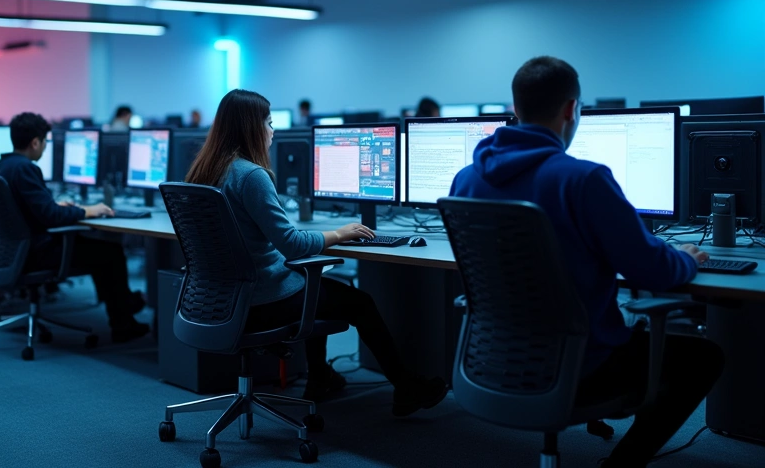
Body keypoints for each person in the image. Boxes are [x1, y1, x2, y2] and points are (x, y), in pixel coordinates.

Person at [449, 56, 723, 467]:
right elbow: (655, 273)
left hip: (491, 360)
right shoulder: (583, 179)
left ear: (516, 108)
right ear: (570, 109)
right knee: (704, 357)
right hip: (580, 367)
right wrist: (685, 258)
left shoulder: (466, 179)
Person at [186, 89, 447, 414]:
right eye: (268, 122)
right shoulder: (250, 176)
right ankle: (407, 388)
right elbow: (292, 244)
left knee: (313, 283)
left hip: (218, 299)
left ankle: (320, 376)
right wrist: (339, 233)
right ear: (251, 127)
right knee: (357, 301)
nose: (273, 130)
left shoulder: (206, 171)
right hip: (260, 301)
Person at [0, 112, 149, 343]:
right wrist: (89, 210)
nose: (45, 148)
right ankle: (123, 321)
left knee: (101, 250)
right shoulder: (26, 168)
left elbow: (31, 207)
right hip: (36, 253)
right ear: (35, 142)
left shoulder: (3, 165)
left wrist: (53, 204)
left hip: (15, 250)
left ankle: (123, 306)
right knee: (110, 253)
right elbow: (52, 217)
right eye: (45, 142)